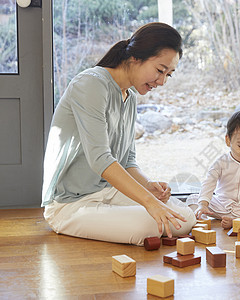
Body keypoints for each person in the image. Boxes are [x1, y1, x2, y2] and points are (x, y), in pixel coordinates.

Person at [42, 22, 196, 246]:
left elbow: (127, 160)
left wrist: (148, 185)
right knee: (150, 224)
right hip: (71, 205)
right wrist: (149, 203)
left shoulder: (130, 96)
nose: (162, 81)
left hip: (108, 194)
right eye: (160, 70)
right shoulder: (91, 84)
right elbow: (100, 159)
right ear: (135, 57)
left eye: (168, 75)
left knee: (184, 219)